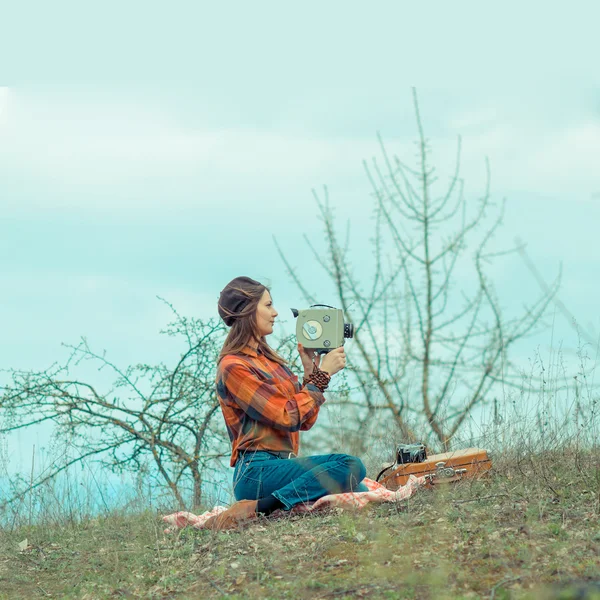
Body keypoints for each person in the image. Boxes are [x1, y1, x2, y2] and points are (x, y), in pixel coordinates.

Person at [206, 276, 367, 530]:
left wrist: (309, 374)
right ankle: (260, 508)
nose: (275, 312)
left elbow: (304, 421)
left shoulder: (273, 363)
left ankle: (272, 504)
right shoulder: (233, 366)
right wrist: (322, 377)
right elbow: (285, 416)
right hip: (256, 471)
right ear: (248, 311)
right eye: (268, 305)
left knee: (359, 486)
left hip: (283, 464)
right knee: (351, 465)